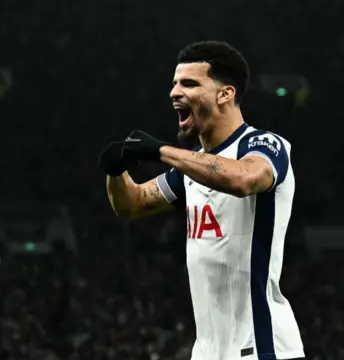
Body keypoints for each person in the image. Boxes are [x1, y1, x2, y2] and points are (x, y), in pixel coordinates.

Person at [99, 41, 305, 360]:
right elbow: (132, 203)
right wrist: (115, 171)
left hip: (263, 347)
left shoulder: (265, 145)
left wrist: (160, 151)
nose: (174, 92)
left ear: (225, 94)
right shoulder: (192, 167)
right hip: (208, 350)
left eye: (189, 83)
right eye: (174, 84)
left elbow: (244, 178)